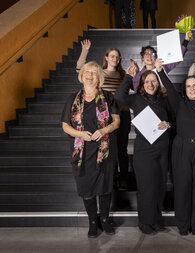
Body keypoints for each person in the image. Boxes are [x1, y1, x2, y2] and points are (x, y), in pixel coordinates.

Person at [61, 61, 120, 238]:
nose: (90, 75)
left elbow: (117, 122)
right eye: (87, 72)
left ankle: (104, 220)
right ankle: (92, 222)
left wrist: (103, 130)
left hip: (105, 150)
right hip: (82, 152)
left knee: (104, 187)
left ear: (99, 78)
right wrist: (79, 134)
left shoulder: (108, 97)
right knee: (86, 189)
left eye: (94, 73)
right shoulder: (72, 99)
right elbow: (65, 126)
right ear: (82, 75)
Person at [157, 60, 195, 235]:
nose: (192, 89)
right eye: (188, 86)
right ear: (185, 90)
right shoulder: (180, 104)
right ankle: (183, 225)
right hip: (181, 150)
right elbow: (168, 86)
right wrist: (160, 71)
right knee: (182, 188)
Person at [115, 64, 171, 235]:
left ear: (158, 83)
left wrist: (168, 124)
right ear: (142, 84)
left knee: (160, 186)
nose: (151, 84)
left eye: (154, 81)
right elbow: (118, 97)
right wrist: (127, 77)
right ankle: (145, 223)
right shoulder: (135, 99)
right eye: (147, 81)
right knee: (147, 187)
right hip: (144, 150)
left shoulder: (165, 100)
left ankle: (157, 220)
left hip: (162, 148)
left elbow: (173, 119)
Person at [76, 40, 130, 190]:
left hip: (122, 115)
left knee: (121, 148)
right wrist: (85, 51)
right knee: (109, 149)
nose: (115, 59)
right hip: (105, 116)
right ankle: (111, 179)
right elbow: (80, 69)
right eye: (112, 56)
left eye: (117, 57)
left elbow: (138, 87)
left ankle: (124, 178)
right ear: (106, 57)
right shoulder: (99, 74)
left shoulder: (123, 74)